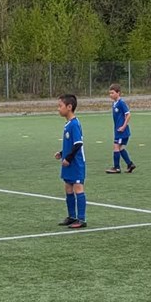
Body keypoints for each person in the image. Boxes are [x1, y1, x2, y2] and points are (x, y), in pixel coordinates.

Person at [55, 94, 87, 229]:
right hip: (68, 161)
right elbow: (71, 144)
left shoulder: (74, 124)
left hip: (76, 162)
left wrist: (68, 158)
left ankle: (81, 219)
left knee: (78, 187)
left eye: (60, 106)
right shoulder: (68, 124)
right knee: (68, 187)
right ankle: (72, 216)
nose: (58, 109)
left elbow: (78, 144)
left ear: (69, 107)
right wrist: (62, 153)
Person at [105, 84, 136, 174]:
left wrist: (123, 126)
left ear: (118, 93)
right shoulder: (114, 104)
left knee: (116, 147)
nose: (110, 95)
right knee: (121, 148)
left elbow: (128, 115)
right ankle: (130, 164)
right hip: (118, 130)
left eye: (112, 93)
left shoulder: (121, 103)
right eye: (110, 93)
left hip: (121, 131)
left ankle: (116, 167)